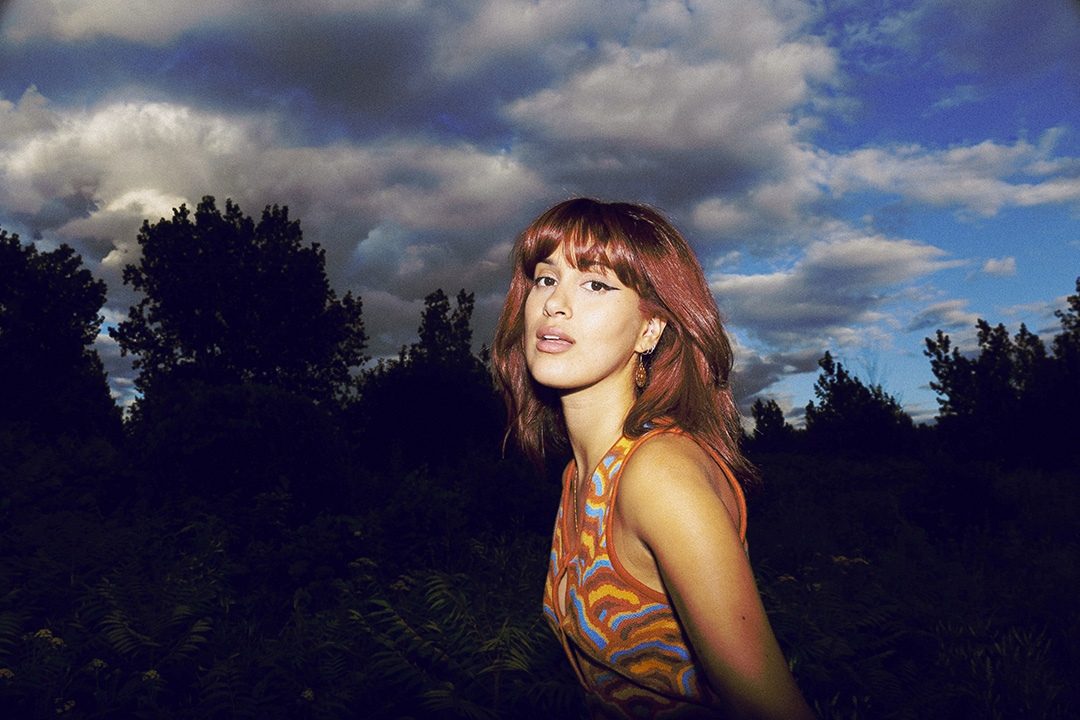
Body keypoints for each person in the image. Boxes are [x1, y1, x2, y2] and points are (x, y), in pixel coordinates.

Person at [492, 198, 815, 719]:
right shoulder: (579, 476)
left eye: (596, 285)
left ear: (649, 330)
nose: (555, 304)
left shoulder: (658, 474)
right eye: (546, 279)